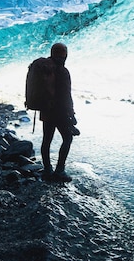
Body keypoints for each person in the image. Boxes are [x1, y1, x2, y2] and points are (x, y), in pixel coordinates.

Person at [39, 42, 77, 182]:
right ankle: (59, 171)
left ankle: (47, 170)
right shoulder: (62, 71)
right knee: (67, 138)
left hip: (46, 110)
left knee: (46, 140)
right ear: (64, 54)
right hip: (59, 112)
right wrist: (71, 114)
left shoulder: (46, 69)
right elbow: (66, 95)